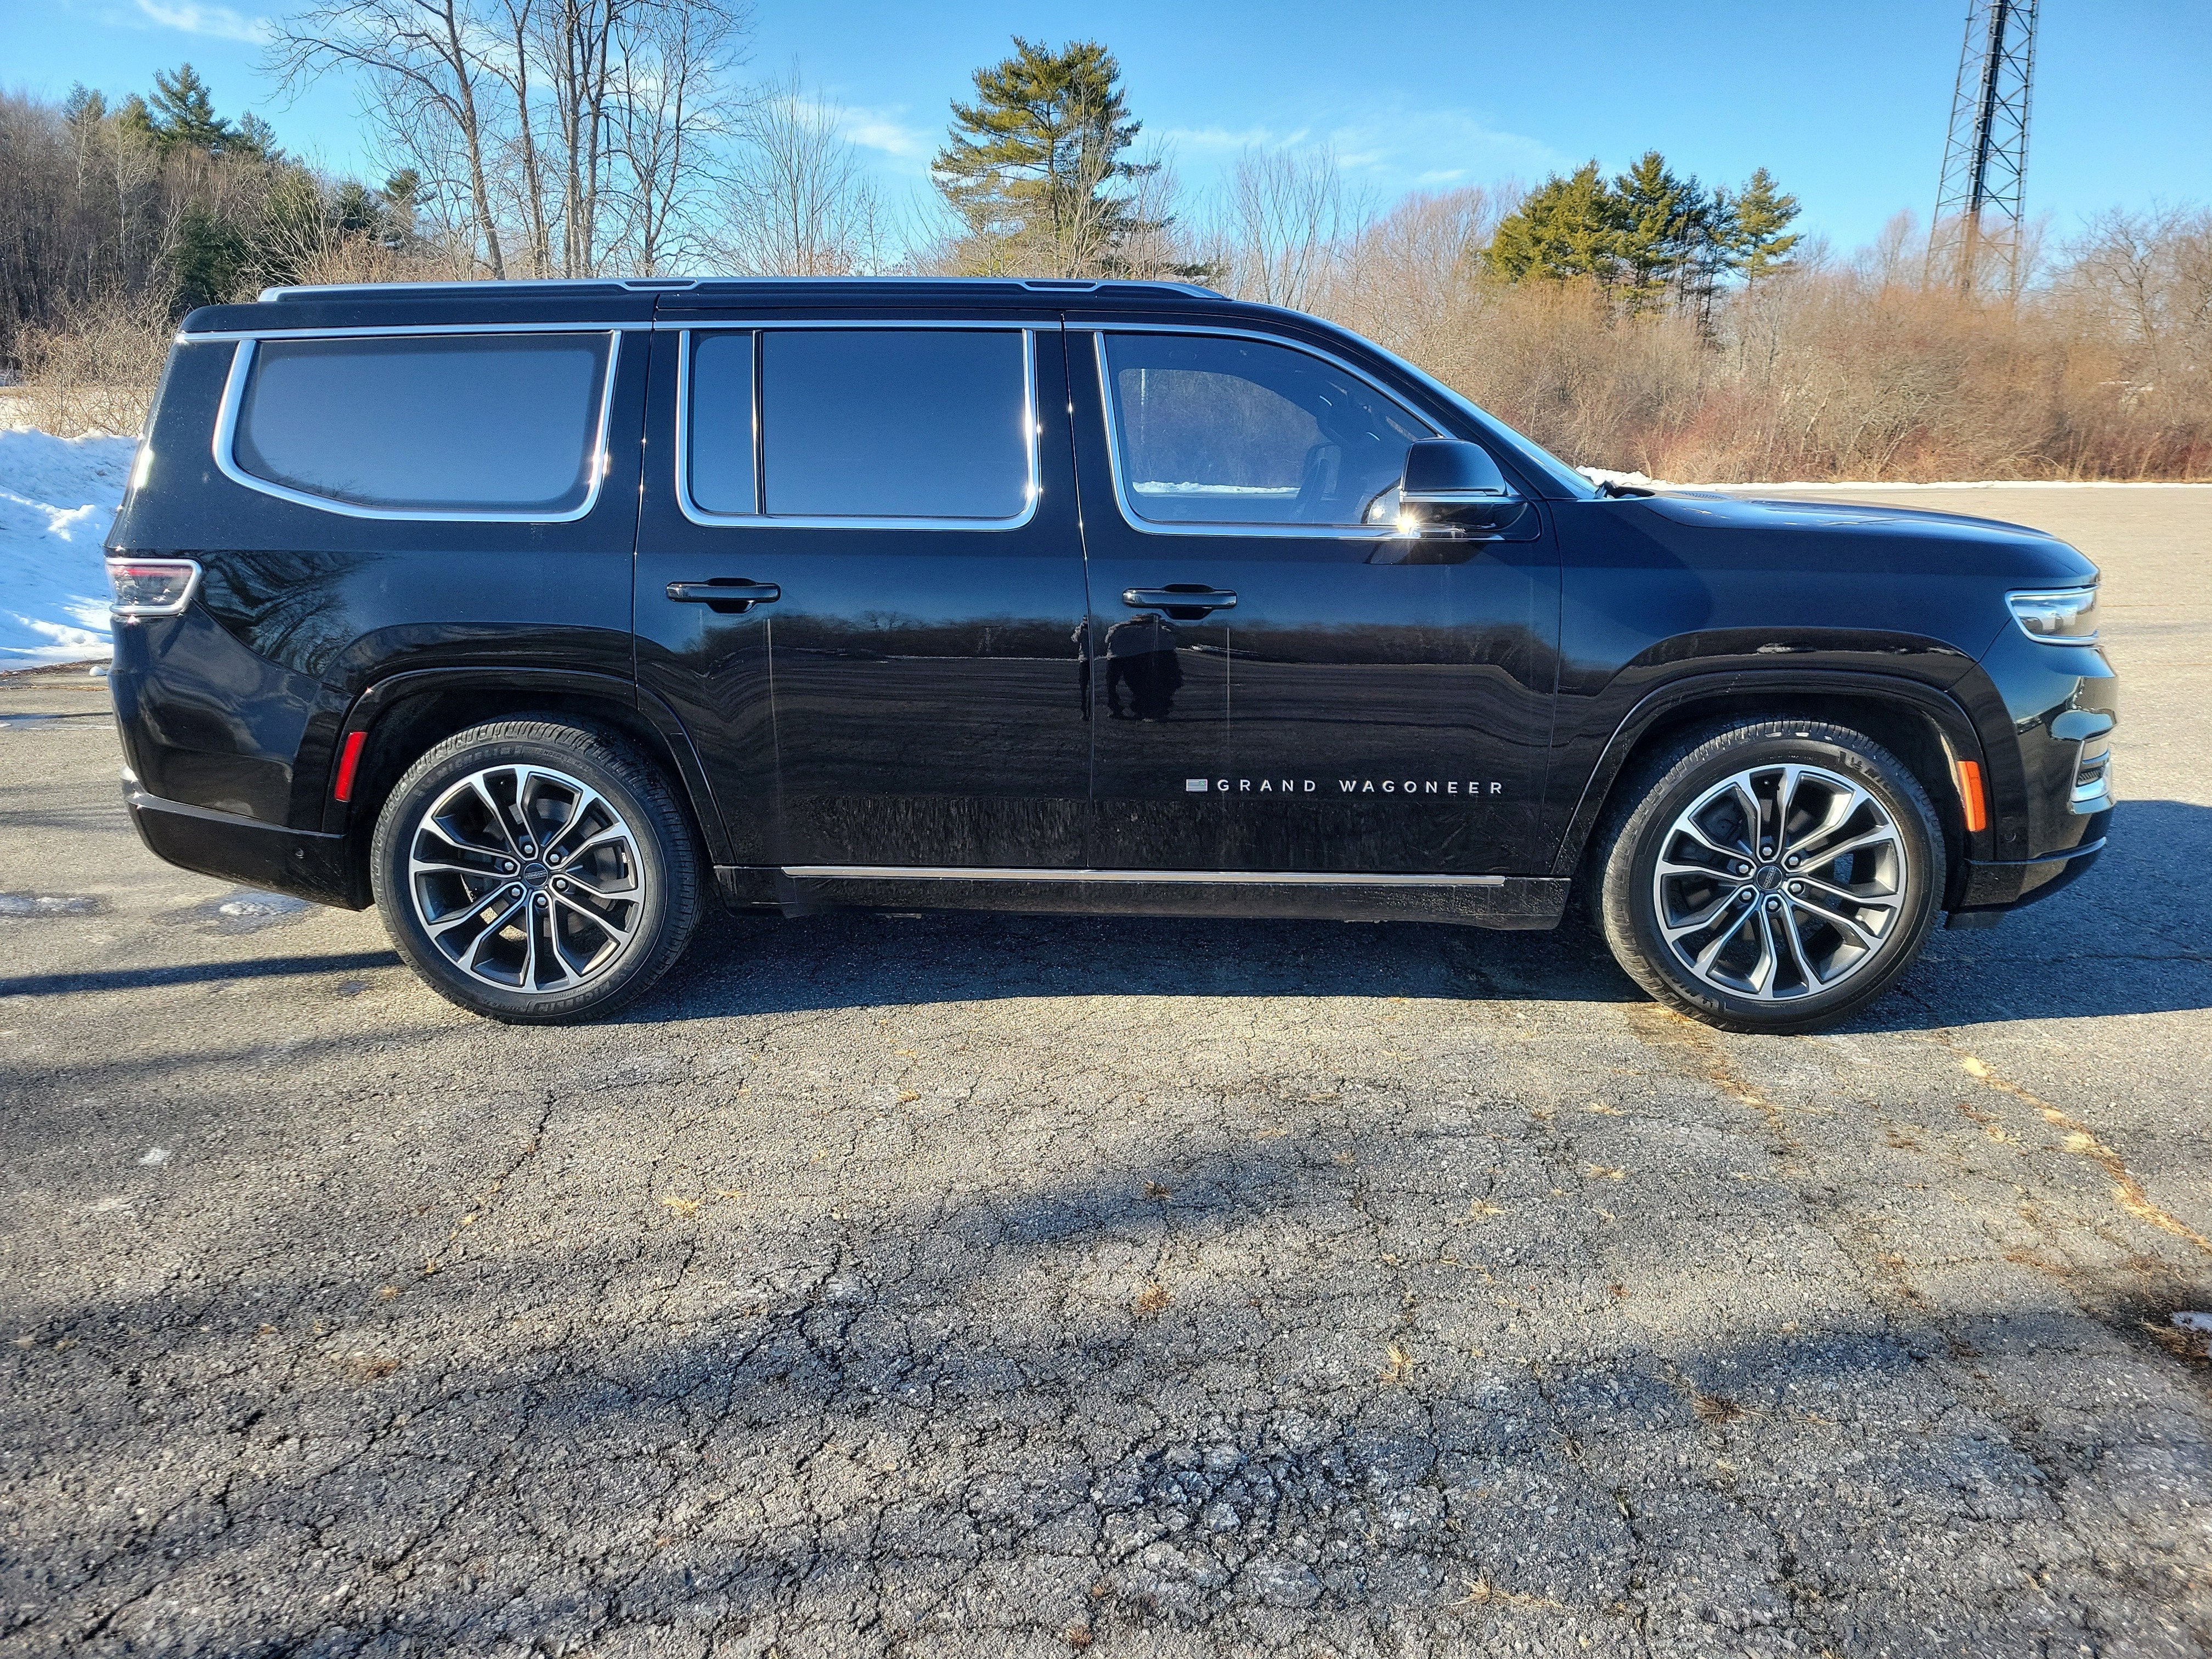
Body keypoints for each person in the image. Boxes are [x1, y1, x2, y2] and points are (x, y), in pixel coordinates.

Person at [1102, 613, 1184, 721]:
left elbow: (1176, 633)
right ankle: (1131, 709)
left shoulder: (1160, 627)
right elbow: (1108, 638)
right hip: (1124, 657)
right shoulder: (1126, 627)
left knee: (1145, 684)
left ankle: (1150, 710)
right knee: (1134, 684)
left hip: (1147, 656)